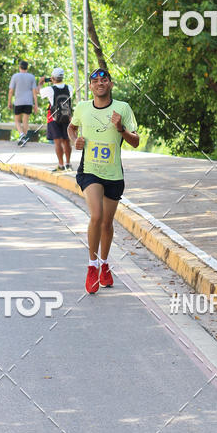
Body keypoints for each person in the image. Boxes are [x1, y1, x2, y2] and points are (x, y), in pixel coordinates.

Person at [68, 68, 139, 294]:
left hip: (114, 174)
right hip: (89, 171)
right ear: (90, 86)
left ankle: (105, 264)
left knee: (107, 223)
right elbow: (72, 127)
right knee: (96, 216)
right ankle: (92, 265)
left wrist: (120, 128)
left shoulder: (123, 108)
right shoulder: (82, 108)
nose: (100, 83)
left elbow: (136, 141)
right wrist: (75, 141)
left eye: (104, 80)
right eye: (95, 81)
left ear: (110, 85)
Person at [38, 67, 73, 172]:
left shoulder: (49, 89)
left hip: (54, 118)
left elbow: (38, 92)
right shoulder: (69, 87)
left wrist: (41, 82)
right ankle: (68, 164)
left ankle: (61, 165)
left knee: (57, 142)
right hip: (67, 117)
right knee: (67, 141)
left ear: (52, 77)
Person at [8, 60, 38, 145]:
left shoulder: (15, 76)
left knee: (17, 121)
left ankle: (21, 134)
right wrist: (36, 105)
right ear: (27, 68)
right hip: (28, 102)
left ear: (19, 67)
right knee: (25, 121)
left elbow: (11, 91)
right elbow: (34, 92)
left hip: (18, 102)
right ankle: (23, 140)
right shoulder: (31, 77)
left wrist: (9, 102)